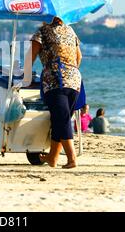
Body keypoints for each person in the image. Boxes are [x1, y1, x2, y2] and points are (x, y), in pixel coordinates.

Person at [22, 16, 82, 169]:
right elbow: (78, 57)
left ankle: (71, 158)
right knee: (59, 118)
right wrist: (70, 70)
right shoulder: (70, 30)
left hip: (56, 79)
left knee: (61, 119)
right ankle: (52, 157)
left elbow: (31, 57)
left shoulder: (42, 32)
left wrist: (25, 80)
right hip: (74, 80)